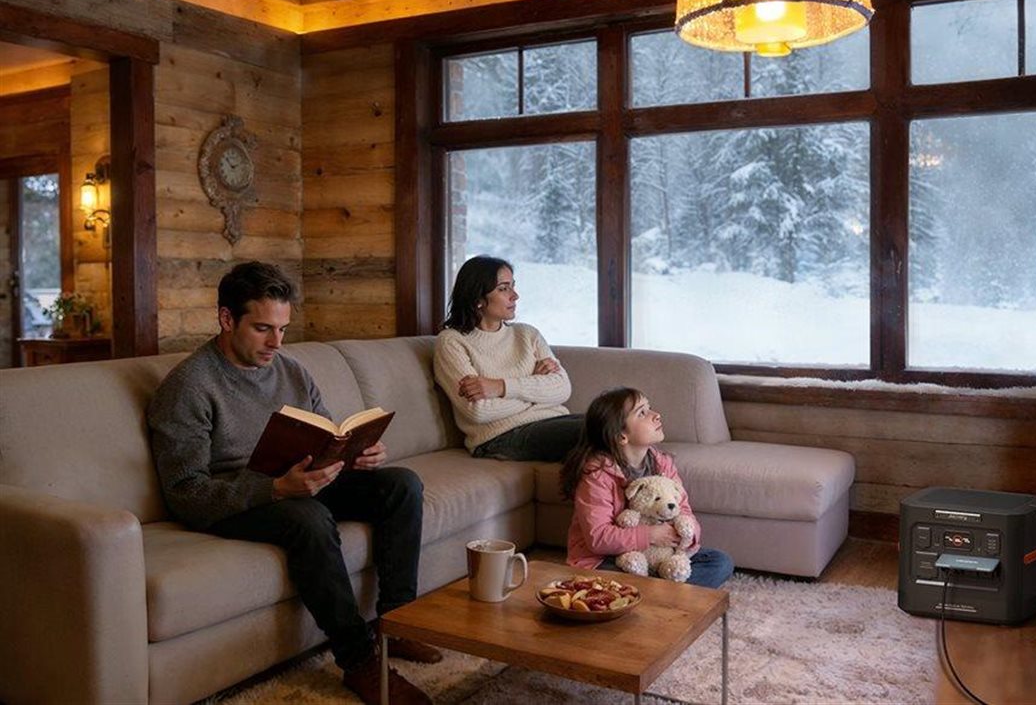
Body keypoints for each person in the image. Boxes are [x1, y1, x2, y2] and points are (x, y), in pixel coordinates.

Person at [147, 262, 436, 705]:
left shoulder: (292, 370)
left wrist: (356, 455)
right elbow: (186, 493)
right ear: (227, 319)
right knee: (309, 518)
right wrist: (277, 489)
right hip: (239, 500)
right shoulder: (189, 386)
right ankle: (359, 661)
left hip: (298, 480)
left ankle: (395, 624)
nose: (276, 343)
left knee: (401, 485)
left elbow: (325, 433)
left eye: (282, 329)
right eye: (263, 328)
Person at [559, 387, 734, 589]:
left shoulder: (663, 464)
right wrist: (651, 534)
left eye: (649, 408)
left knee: (720, 562)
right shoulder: (597, 475)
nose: (656, 415)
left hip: (662, 553)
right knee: (608, 582)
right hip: (608, 559)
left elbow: (683, 510)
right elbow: (598, 538)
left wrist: (686, 534)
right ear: (621, 435)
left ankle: (650, 592)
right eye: (642, 412)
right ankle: (659, 594)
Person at [433, 255, 582, 461]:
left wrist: (500, 388)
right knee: (603, 434)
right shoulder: (452, 342)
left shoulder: (527, 334)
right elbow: (478, 411)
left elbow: (563, 388)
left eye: (513, 286)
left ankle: (638, 491)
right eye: (503, 289)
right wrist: (536, 392)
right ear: (477, 298)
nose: (515, 296)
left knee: (618, 424)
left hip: (552, 420)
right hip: (499, 436)